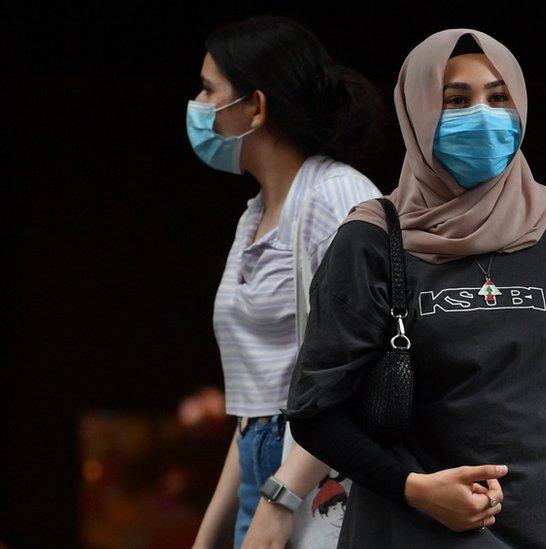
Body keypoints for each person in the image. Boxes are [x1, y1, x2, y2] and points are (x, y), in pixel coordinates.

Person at [285, 29, 546, 548]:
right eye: (456, 100)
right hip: (414, 532)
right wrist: (415, 489)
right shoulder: (373, 240)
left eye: (498, 97)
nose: (483, 115)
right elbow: (315, 414)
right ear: (418, 113)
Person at [187, 16, 383, 549]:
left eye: (208, 90)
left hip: (313, 477)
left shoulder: (336, 196)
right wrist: (210, 534)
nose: (197, 106)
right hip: (265, 464)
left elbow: (363, 365)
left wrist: (281, 501)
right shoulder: (254, 215)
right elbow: (257, 405)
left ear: (255, 106)